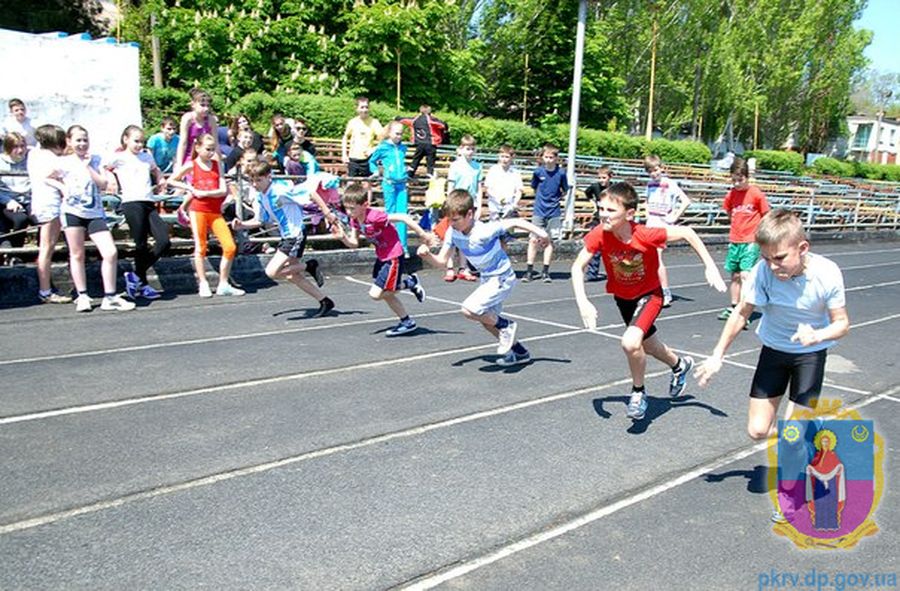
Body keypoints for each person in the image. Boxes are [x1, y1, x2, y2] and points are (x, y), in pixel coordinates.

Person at [571, 181, 726, 420]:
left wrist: (710, 267)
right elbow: (577, 267)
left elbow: (688, 232)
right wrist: (583, 301)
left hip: (650, 295)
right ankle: (679, 365)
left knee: (631, 343)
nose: (604, 214)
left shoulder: (644, 234)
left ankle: (638, 393)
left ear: (629, 213)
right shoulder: (600, 233)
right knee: (649, 347)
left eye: (611, 211)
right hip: (623, 299)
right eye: (601, 209)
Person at [695, 209, 849, 440]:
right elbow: (741, 313)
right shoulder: (762, 272)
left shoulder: (827, 273)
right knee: (757, 431)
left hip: (809, 355)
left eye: (779, 258)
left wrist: (818, 336)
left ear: (803, 248)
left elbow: (842, 324)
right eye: (766, 258)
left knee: (794, 435)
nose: (773, 267)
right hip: (774, 351)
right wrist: (717, 355)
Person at [418, 189, 551, 366]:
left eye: (456, 219)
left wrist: (542, 233)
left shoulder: (485, 230)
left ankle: (506, 325)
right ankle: (520, 353)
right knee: (487, 320)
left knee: (469, 309)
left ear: (470, 214)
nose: (452, 223)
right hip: (488, 278)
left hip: (502, 277)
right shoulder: (452, 232)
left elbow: (516, 221)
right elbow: (442, 261)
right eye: (450, 219)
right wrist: (427, 256)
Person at [331, 182, 433, 336]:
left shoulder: (375, 216)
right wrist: (342, 237)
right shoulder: (354, 221)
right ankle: (407, 321)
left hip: (393, 256)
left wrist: (423, 234)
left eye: (352, 208)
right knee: (387, 293)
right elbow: (354, 244)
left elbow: (403, 217)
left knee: (376, 294)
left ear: (365, 204)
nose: (349, 212)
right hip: (382, 257)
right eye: (347, 208)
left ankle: (410, 283)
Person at [236, 160, 335, 317]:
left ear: (269, 177)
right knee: (291, 275)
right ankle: (324, 301)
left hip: (295, 235)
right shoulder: (262, 197)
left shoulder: (280, 190)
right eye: (252, 180)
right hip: (286, 236)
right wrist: (241, 225)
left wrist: (327, 213)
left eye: (258, 180)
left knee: (272, 272)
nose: (255, 184)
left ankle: (309, 266)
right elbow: (260, 221)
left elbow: (310, 193)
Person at [59, 125, 135, 312]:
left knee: (110, 252)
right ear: (69, 141)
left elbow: (102, 184)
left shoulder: (95, 160)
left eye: (85, 140)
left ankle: (109, 297)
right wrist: (62, 188)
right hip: (72, 212)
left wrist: (88, 167)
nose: (82, 144)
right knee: (77, 254)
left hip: (94, 213)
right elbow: (47, 177)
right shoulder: (63, 161)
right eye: (78, 140)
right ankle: (82, 295)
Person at [167, 133, 244, 298]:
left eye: (213, 149)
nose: (211, 153)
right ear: (198, 148)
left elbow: (223, 190)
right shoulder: (192, 165)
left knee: (229, 246)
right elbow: (172, 180)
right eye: (208, 149)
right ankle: (203, 283)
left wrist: (205, 193)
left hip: (215, 212)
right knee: (201, 247)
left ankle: (223, 283)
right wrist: (191, 189)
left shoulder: (217, 166)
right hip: (198, 210)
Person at [104, 125, 168, 301]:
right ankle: (143, 284)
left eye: (142, 141)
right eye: (136, 141)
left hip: (148, 201)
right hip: (131, 202)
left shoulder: (147, 156)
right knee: (141, 245)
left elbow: (155, 169)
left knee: (164, 241)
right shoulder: (119, 157)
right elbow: (105, 167)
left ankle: (135, 275)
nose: (140, 145)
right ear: (126, 139)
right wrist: (110, 178)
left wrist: (160, 177)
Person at [717, 157, 770, 324]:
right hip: (735, 240)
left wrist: (759, 234)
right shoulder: (731, 194)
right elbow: (728, 211)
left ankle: (744, 309)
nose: (737, 184)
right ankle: (733, 306)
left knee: (746, 275)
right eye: (734, 180)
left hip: (750, 240)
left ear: (747, 177)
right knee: (735, 275)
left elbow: (765, 214)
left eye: (740, 180)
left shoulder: (755, 194)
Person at [643, 154, 692, 307]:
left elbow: (685, 201)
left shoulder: (669, 184)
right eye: (650, 171)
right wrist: (646, 215)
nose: (654, 173)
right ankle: (652, 290)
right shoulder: (649, 185)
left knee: (657, 258)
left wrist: (675, 216)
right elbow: (646, 201)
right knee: (647, 259)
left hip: (663, 225)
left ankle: (665, 291)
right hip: (651, 224)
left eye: (656, 170)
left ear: (662, 168)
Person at [29, 124, 70, 303]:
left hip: (41, 201)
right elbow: (52, 177)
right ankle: (45, 290)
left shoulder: (35, 154)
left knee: (47, 247)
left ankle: (46, 288)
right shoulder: (50, 158)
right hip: (50, 203)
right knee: (47, 247)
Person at [524, 143, 569, 283]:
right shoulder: (538, 172)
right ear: (542, 157)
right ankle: (529, 270)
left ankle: (545, 271)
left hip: (554, 211)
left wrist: (556, 200)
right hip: (539, 211)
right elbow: (534, 187)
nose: (549, 160)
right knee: (533, 240)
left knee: (549, 241)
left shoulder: (561, 173)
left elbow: (565, 189)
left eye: (551, 157)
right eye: (546, 157)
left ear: (556, 158)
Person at [368, 121, 410, 255]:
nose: (399, 136)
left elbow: (400, 163)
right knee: (391, 215)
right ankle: (392, 244)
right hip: (389, 184)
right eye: (397, 133)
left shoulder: (403, 148)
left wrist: (406, 170)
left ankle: (403, 246)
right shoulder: (383, 147)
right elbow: (372, 161)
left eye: (401, 134)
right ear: (390, 133)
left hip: (402, 184)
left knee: (403, 215)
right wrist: (375, 171)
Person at [445, 134, 482, 282]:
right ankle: (449, 267)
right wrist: (449, 204)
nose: (470, 151)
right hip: (456, 203)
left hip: (469, 204)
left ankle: (463, 267)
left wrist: (478, 206)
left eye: (472, 149)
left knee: (465, 237)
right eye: (467, 148)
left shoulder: (477, 166)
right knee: (452, 237)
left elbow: (479, 188)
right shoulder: (455, 165)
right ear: (461, 149)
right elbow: (451, 186)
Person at [341, 97, 383, 203]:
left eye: (366, 107)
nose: (364, 110)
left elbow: (383, 140)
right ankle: (348, 204)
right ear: (357, 109)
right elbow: (345, 137)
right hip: (353, 157)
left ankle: (367, 206)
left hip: (367, 158)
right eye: (362, 107)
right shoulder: (352, 122)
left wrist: (373, 149)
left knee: (366, 184)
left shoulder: (374, 122)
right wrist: (344, 154)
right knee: (351, 183)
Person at [806, 429, 845, 531]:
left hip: (831, 483)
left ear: (830, 443)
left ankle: (832, 524)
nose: (825, 443)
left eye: (826, 441)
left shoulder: (832, 455)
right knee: (820, 503)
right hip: (819, 483)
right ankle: (820, 524)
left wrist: (839, 467)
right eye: (823, 441)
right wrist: (810, 469)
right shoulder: (817, 456)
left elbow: (837, 465)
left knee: (831, 503)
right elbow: (814, 466)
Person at [0, 132, 32, 251]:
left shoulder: (31, 160)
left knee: (42, 219)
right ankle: (16, 251)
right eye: (15, 147)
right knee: (20, 219)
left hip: (29, 198)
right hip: (8, 200)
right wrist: (8, 201)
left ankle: (40, 253)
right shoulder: (1, 162)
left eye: (22, 146)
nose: (20, 150)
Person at [397, 104, 447, 177]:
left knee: (415, 160)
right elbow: (442, 125)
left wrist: (397, 118)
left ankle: (409, 175)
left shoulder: (415, 119)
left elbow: (404, 120)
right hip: (431, 144)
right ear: (430, 112)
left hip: (419, 144)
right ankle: (429, 175)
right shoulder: (431, 119)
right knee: (430, 162)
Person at [175, 88, 219, 166]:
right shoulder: (188, 118)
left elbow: (215, 143)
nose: (206, 109)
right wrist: (179, 164)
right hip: (189, 157)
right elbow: (183, 143)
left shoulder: (211, 120)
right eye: (202, 105)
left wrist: (218, 163)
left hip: (206, 157)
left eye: (208, 106)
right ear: (193, 105)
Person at [583, 165, 612, 281]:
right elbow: (587, 193)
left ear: (610, 177)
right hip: (598, 219)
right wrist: (594, 204)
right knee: (595, 245)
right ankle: (592, 272)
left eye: (604, 178)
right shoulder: (595, 187)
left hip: (611, 220)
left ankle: (614, 272)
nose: (601, 180)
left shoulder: (614, 188)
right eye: (599, 178)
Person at [484, 144, 523, 223]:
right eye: (502, 156)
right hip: (494, 206)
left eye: (507, 157)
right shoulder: (493, 170)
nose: (504, 159)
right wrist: (497, 198)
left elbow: (519, 190)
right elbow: (487, 188)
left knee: (508, 231)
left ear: (512, 157)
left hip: (509, 206)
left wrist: (514, 203)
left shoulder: (515, 173)